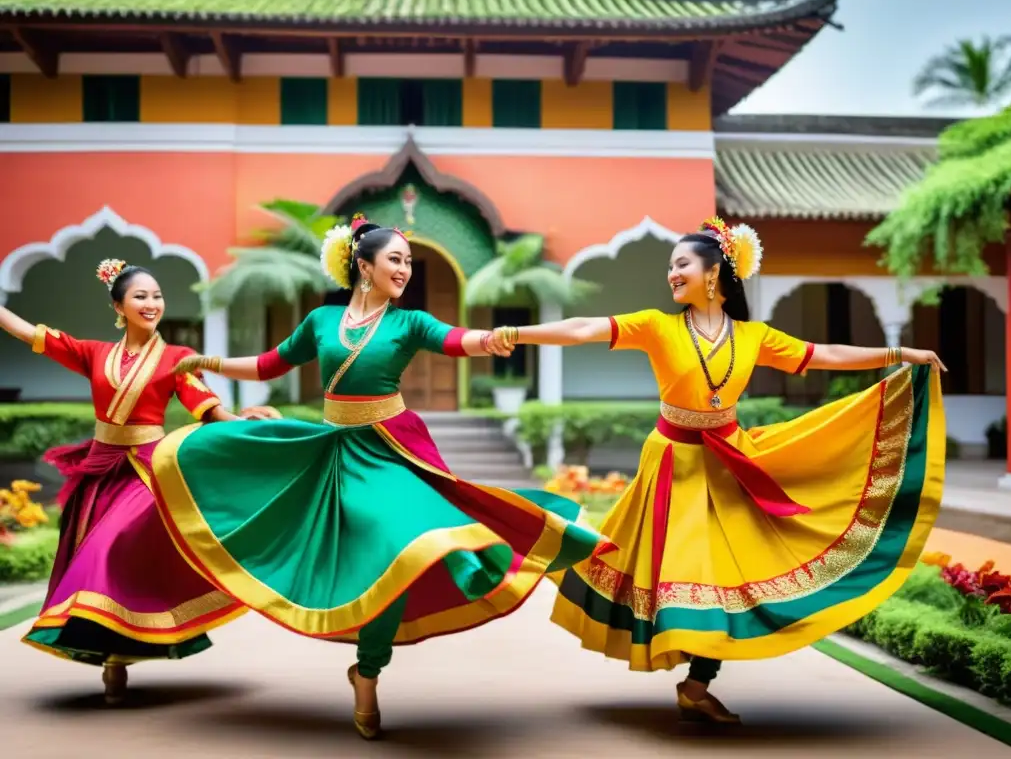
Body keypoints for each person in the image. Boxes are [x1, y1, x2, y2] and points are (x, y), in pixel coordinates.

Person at [157, 216, 612, 740]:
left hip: (390, 449)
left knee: (403, 543)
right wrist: (204, 360)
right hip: (333, 452)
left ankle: (373, 664)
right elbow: (266, 366)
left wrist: (495, 338)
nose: (405, 269)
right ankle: (369, 671)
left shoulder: (410, 322)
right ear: (363, 266)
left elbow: (459, 339)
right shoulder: (322, 320)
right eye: (395, 260)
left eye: (409, 262)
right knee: (377, 561)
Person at [495, 217, 947, 724]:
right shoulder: (656, 325)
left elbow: (824, 355)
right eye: (670, 266)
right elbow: (582, 328)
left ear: (714, 273)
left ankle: (696, 684)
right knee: (685, 572)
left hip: (731, 462)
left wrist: (899, 353)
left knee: (733, 574)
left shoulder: (754, 336)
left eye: (680, 263)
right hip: (672, 464)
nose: (671, 273)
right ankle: (690, 664)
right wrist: (515, 332)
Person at [0, 259, 265, 704]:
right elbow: (29, 333)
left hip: (149, 466)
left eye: (157, 295)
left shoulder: (178, 359)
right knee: (96, 559)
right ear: (118, 306)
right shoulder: (93, 353)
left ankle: (122, 654)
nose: (152, 303)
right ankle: (113, 659)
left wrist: (245, 422)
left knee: (113, 546)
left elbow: (210, 410)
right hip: (101, 469)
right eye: (141, 296)